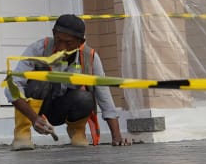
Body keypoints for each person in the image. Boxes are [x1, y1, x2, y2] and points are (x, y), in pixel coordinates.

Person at [9, 14, 132, 149]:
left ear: (80, 42)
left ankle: (77, 132)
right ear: (54, 34)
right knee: (38, 82)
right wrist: (34, 118)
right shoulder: (38, 49)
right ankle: (22, 134)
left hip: (63, 109)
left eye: (68, 43)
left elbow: (104, 96)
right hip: (38, 109)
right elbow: (12, 86)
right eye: (58, 40)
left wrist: (116, 136)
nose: (62, 48)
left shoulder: (90, 57)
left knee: (85, 97)